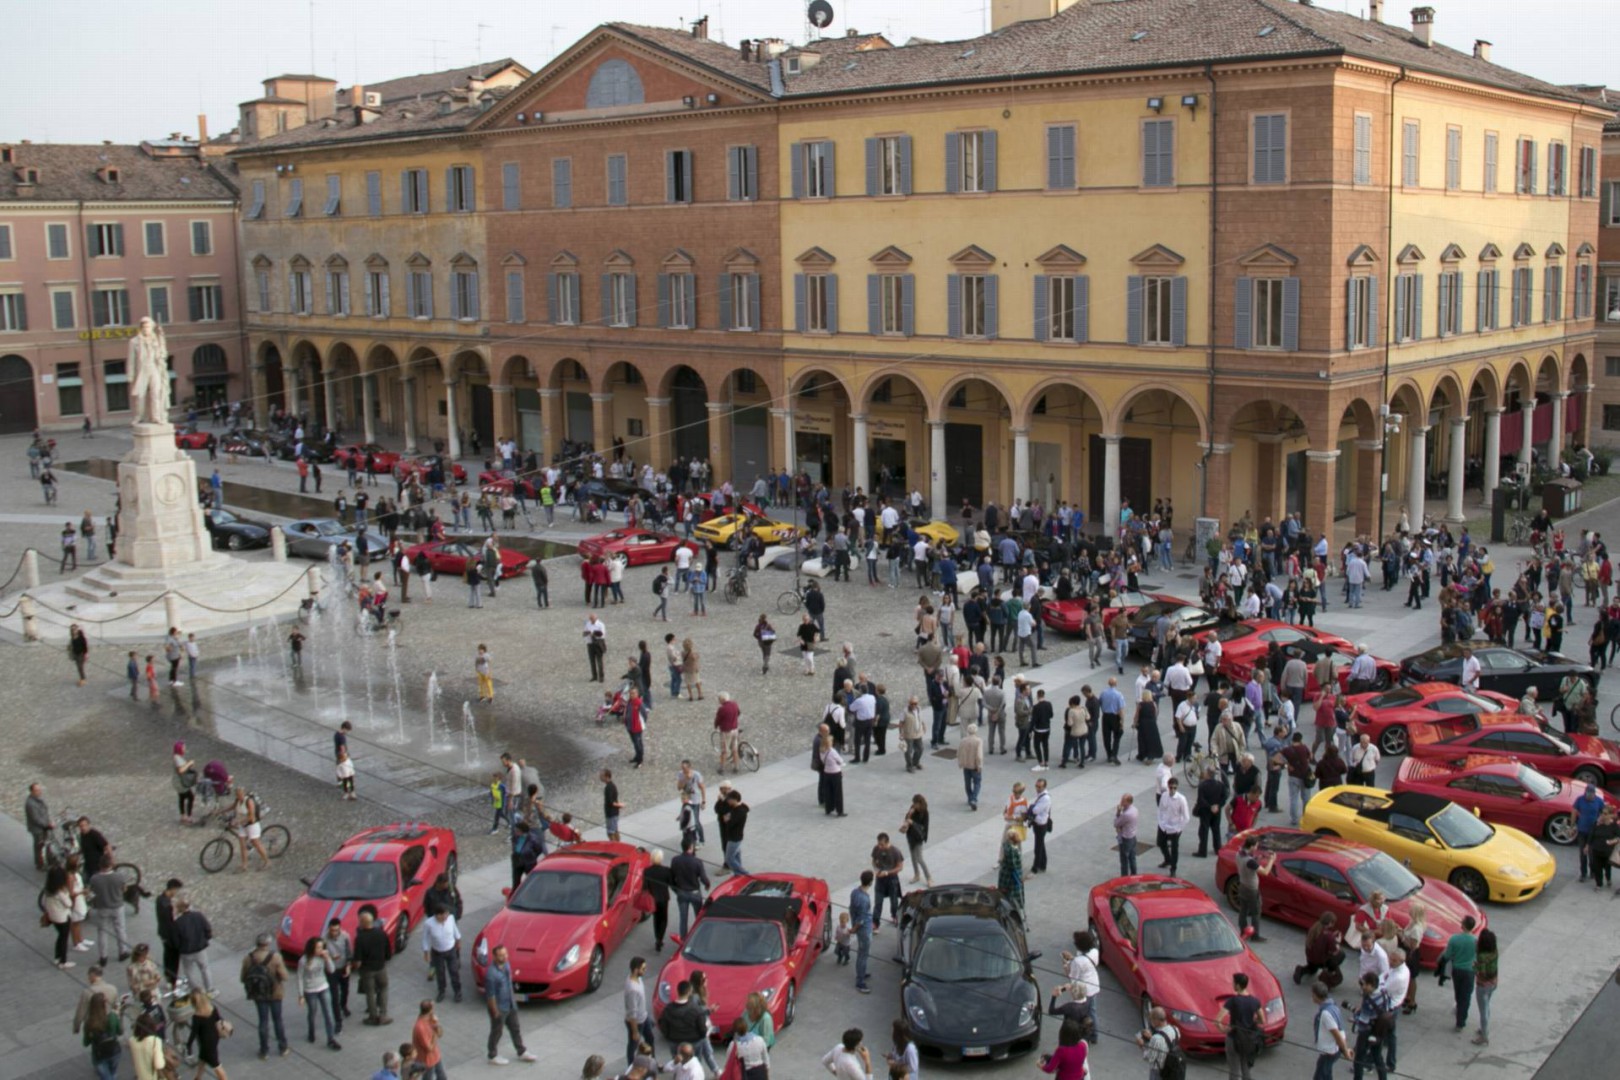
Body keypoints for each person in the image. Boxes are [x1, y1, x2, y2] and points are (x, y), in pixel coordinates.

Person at [483, 943, 537, 1065]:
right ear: (495, 957)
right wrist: (495, 1012)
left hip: (510, 1004)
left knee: (515, 1028)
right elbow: (490, 996)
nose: (505, 957)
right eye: (501, 955)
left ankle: (521, 1051)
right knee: (497, 1031)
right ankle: (492, 1055)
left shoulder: (506, 965)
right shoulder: (491, 974)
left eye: (505, 954)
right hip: (499, 1008)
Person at [241, 932, 290, 1060]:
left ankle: (264, 1051)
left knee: (263, 1021)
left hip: (258, 994)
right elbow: (285, 976)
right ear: (267, 944)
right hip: (275, 993)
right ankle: (283, 1047)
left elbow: (243, 978)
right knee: (277, 1020)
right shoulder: (275, 957)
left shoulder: (248, 958)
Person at [298, 936, 342, 1051]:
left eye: (321, 947)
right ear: (312, 948)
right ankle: (311, 1032)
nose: (320, 950)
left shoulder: (322, 957)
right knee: (312, 1013)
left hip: (323, 987)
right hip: (310, 990)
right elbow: (299, 978)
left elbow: (332, 970)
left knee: (328, 1013)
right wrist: (301, 995)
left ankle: (331, 1039)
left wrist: (327, 958)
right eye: (318, 947)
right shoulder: (303, 960)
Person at [1217, 971, 1263, 1080]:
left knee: (1234, 1070)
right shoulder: (1255, 1001)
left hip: (1233, 1038)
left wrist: (1224, 1030)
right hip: (1248, 1039)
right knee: (1245, 1068)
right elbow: (1262, 1020)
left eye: (1233, 983)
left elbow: (1217, 1020)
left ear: (1237, 985)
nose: (1232, 984)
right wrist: (1253, 1022)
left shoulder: (1232, 1001)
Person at [1231, 834, 1274, 941]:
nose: (1256, 848)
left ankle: (1243, 932)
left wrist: (1259, 858)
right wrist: (1271, 860)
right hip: (1251, 889)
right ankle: (1255, 935)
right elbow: (1265, 872)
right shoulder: (1249, 861)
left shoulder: (1239, 854)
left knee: (1243, 911)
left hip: (1242, 885)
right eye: (1256, 846)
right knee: (1256, 912)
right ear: (1251, 846)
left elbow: (1251, 862)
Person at [354, 906, 392, 1026]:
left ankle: (373, 1016)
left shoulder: (360, 938)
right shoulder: (381, 933)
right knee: (384, 988)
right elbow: (388, 950)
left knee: (370, 992)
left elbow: (358, 959)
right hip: (381, 967)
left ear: (362, 923)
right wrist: (385, 959)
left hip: (367, 970)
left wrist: (355, 966)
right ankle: (383, 1014)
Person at [1441, 916, 1479, 1032]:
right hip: (1470, 971)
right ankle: (1461, 1021)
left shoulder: (1454, 939)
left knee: (1458, 992)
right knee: (1466, 995)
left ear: (1463, 925)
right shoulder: (1475, 940)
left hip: (1457, 969)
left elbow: (1447, 955)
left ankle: (1459, 1008)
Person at [1311, 979, 1351, 1080]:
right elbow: (1341, 1031)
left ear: (1315, 995)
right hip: (1332, 1051)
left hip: (1329, 1051)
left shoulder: (1326, 1013)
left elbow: (1336, 1033)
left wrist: (1345, 1051)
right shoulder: (1333, 1007)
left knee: (1320, 1076)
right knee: (1327, 1074)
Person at [1294, 911, 1345, 988]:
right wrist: (1338, 942)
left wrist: (1332, 937)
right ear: (1330, 923)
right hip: (1321, 961)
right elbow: (1335, 951)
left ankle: (1301, 970)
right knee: (1341, 954)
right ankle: (1327, 975)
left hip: (1310, 958)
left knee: (1312, 970)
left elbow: (1321, 941)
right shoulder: (1329, 936)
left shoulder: (1313, 929)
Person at [421, 907, 462, 1004]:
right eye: (442, 914)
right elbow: (425, 938)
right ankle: (441, 991)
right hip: (437, 952)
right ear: (436, 915)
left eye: (446, 914)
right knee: (440, 973)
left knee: (454, 971)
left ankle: (457, 991)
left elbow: (455, 931)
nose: (445, 917)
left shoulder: (450, 918)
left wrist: (458, 941)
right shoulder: (429, 923)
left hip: (451, 950)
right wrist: (426, 952)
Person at [624, 956, 656, 1068]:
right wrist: (635, 1031)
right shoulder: (632, 989)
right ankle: (631, 1068)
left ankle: (652, 1062)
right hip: (637, 1022)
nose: (645, 970)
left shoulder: (637, 978)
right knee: (633, 1046)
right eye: (643, 968)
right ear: (636, 970)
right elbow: (632, 1013)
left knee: (650, 1038)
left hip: (644, 1017)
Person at [1137, 1005, 1182, 1080]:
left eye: (1151, 1020)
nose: (1151, 1022)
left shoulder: (1156, 1039)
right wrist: (1152, 1038)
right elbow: (1168, 1043)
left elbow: (1150, 1058)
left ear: (1156, 1020)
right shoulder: (1175, 1029)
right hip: (1173, 1066)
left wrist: (1142, 1046)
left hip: (1160, 1071)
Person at [1157, 777, 1190, 875]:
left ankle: (1173, 868)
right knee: (1161, 843)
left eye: (1174, 788)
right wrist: (1160, 822)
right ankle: (1167, 859)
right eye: (1171, 787)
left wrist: (1179, 828)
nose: (1172, 790)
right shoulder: (1164, 796)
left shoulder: (1181, 799)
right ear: (1168, 786)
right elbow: (1160, 809)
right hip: (1163, 826)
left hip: (1175, 828)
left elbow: (1186, 817)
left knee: (1174, 848)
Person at [1472, 928, 1499, 1046]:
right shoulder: (1495, 951)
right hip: (1493, 983)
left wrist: (1475, 967)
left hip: (1483, 985)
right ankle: (1484, 1029)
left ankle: (1484, 1036)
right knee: (1487, 1006)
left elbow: (1481, 972)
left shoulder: (1482, 956)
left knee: (1483, 1010)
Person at [850, 872, 875, 994]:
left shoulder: (855, 892)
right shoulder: (864, 899)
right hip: (864, 929)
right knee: (863, 954)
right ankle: (860, 981)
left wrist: (853, 926)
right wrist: (855, 928)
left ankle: (862, 972)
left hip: (860, 928)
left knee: (862, 953)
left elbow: (852, 909)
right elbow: (862, 918)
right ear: (871, 882)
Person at [411, 1000, 445, 1080]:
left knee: (442, 1077)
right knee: (428, 1078)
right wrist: (435, 1034)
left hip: (435, 1055)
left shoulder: (430, 1019)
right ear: (430, 1010)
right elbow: (429, 1048)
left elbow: (440, 1034)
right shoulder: (420, 1027)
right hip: (426, 1059)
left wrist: (436, 1024)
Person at [998, 827, 1025, 921]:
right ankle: (1011, 914)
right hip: (1011, 878)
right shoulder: (1012, 850)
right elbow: (1013, 865)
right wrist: (1020, 877)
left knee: (1007, 896)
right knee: (1011, 897)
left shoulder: (1008, 845)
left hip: (1007, 875)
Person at [1028, 776, 1053, 874]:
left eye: (1039, 787)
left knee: (1038, 846)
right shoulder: (1043, 795)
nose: (1037, 788)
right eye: (1036, 786)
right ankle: (1042, 864)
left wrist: (1031, 808)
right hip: (1040, 822)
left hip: (1041, 824)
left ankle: (1036, 866)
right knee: (1041, 844)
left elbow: (1035, 810)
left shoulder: (1045, 798)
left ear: (1044, 787)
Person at [958, 723, 984, 810]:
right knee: (977, 783)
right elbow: (979, 755)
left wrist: (961, 763)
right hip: (975, 766)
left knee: (967, 783)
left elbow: (959, 753)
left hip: (966, 765)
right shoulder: (978, 741)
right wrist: (979, 765)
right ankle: (974, 798)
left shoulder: (963, 740)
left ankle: (970, 798)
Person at [1114, 793, 1140, 876]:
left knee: (1124, 860)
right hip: (1133, 837)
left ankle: (1124, 878)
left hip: (1125, 839)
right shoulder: (1135, 809)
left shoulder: (1126, 814)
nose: (1121, 802)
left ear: (1128, 802)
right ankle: (1134, 874)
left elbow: (1116, 823)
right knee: (1132, 858)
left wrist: (1118, 812)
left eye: (1123, 801)